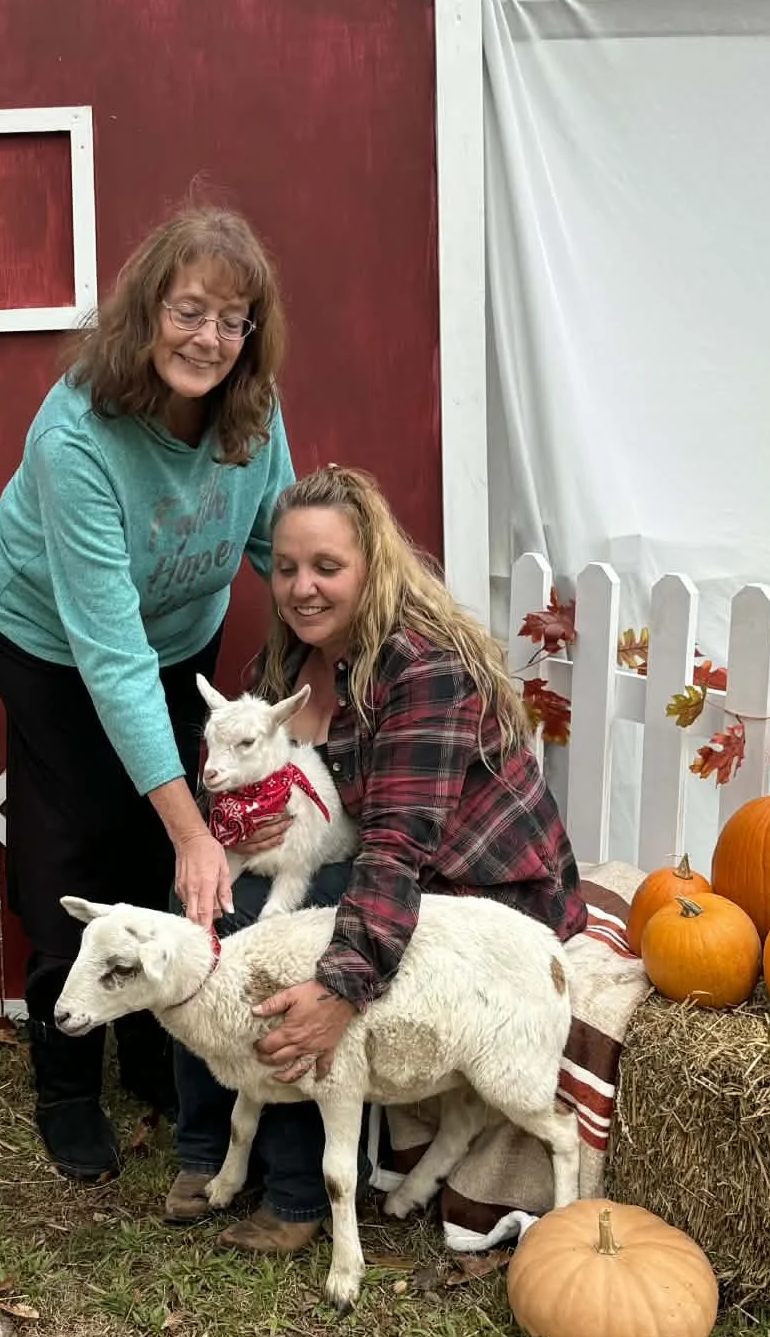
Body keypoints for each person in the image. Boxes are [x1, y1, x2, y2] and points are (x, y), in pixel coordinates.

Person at [165, 464, 587, 1252]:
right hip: (369, 857)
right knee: (206, 903)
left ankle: (297, 1195)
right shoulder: (280, 670)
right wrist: (242, 830)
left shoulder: (421, 668)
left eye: (327, 567)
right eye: (287, 568)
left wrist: (341, 987)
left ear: (372, 568)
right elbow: (263, 782)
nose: (303, 588)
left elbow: (397, 843)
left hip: (478, 885)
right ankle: (207, 1143)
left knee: (292, 939)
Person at [0, 205, 298, 1181]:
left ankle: (155, 1043)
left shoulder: (252, 413)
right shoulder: (76, 434)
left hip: (175, 633)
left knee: (159, 843)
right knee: (81, 836)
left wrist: (348, 634)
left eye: (229, 320)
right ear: (146, 309)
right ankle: (65, 1082)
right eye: (186, 310)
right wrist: (193, 825)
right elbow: (106, 655)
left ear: (250, 335)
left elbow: (278, 549)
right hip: (48, 640)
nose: (206, 337)